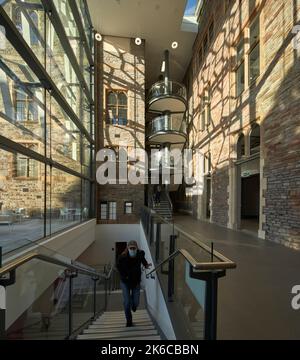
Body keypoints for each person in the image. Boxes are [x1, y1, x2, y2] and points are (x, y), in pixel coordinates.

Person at [116, 240, 152, 327]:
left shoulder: (140, 254)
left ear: (137, 248)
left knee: (136, 303)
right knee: (127, 302)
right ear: (127, 248)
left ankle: (133, 305)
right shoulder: (122, 258)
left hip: (136, 282)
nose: (132, 249)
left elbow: (143, 260)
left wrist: (146, 265)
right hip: (125, 282)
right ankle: (129, 320)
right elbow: (119, 268)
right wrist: (125, 276)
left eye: (134, 248)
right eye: (130, 248)